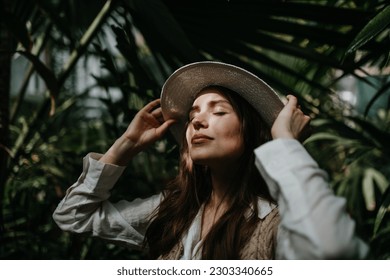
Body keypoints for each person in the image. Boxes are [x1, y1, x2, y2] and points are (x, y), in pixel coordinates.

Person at [53, 61, 369, 259]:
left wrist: (285, 141)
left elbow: (333, 251)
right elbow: (72, 217)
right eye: (193, 115)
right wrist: (126, 146)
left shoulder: (277, 224)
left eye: (218, 111)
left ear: (250, 132)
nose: (198, 121)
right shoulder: (173, 211)